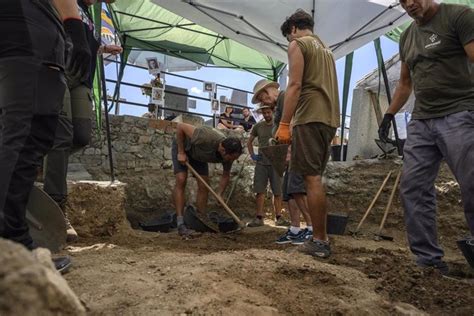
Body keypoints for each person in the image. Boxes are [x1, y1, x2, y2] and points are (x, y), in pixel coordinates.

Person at [378, 0, 474, 273]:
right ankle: (428, 260)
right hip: (422, 120)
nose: (409, 3)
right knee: (414, 187)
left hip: (461, 113)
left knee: (471, 184)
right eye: (402, 0)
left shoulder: (459, 16)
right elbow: (405, 83)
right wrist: (388, 115)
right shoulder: (408, 36)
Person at [0, 0, 91, 271]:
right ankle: (13, 248)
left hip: (18, 33)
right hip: (28, 34)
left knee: (19, 133)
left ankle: (13, 242)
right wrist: (75, 27)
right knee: (27, 133)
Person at [42, 0, 123, 243]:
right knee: (62, 135)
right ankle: (56, 209)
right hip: (60, 69)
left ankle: (43, 158)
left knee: (81, 136)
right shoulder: (66, 3)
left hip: (83, 78)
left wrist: (103, 49)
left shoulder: (88, 13)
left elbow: (83, 43)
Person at [275, 9, 340, 258]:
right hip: (329, 118)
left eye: (288, 37)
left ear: (293, 28)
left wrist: (284, 123)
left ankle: (320, 241)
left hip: (310, 117)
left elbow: (294, 85)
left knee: (310, 179)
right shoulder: (326, 50)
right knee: (316, 179)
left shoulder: (298, 45)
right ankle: (320, 236)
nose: (289, 42)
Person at [252, 79, 313, 243]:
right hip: (288, 153)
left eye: (262, 98)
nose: (263, 102)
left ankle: (311, 228)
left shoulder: (286, 97)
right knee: (289, 193)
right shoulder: (278, 106)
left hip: (297, 151)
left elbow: (293, 123)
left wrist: (291, 150)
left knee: (298, 190)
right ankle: (294, 229)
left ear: (269, 91)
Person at [173, 122, 243, 236]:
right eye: (231, 158)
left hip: (199, 156)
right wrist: (181, 152)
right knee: (181, 179)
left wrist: (220, 194)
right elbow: (180, 126)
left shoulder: (229, 157)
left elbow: (226, 175)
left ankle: (201, 219)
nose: (231, 161)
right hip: (184, 146)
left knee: (204, 184)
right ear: (223, 150)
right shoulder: (206, 136)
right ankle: (180, 223)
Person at [246, 104, 285, 227]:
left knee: (277, 191)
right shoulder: (258, 126)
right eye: (264, 113)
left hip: (275, 162)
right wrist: (252, 155)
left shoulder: (278, 125)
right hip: (261, 162)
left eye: (269, 112)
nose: (267, 115)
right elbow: (249, 142)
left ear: (273, 112)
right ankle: (259, 217)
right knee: (259, 190)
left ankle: (279, 217)